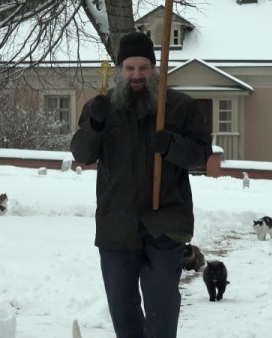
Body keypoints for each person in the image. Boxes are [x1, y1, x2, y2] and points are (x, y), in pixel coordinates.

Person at [70, 32, 212, 338]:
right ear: (120, 70)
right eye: (130, 68)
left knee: (162, 307)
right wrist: (94, 125)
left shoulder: (178, 107)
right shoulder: (103, 108)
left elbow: (202, 155)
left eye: (143, 68)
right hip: (116, 224)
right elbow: (82, 154)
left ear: (154, 69)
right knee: (122, 307)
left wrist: (172, 144)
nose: (137, 75)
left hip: (164, 222)